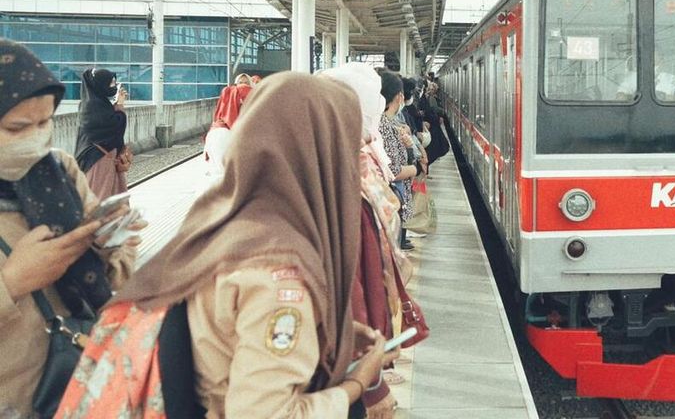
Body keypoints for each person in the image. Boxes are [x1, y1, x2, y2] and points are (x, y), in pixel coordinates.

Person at [100, 72, 395, 417]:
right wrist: (356, 385)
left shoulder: (220, 223)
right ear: (323, 156)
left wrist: (325, 332)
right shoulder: (280, 274)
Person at [0, 39, 141, 417]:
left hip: (78, 380)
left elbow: (118, 273)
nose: (35, 137)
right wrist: (12, 282)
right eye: (17, 127)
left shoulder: (59, 170)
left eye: (45, 122)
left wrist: (113, 242)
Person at [321, 63, 407, 418]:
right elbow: (348, 288)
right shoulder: (338, 193)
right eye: (361, 119)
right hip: (333, 382)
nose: (372, 137)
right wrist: (368, 385)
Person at [74, 68, 130, 201]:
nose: (114, 87)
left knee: (113, 200)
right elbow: (114, 126)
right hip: (98, 161)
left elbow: (112, 124)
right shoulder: (93, 107)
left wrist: (117, 105)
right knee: (100, 199)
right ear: (100, 85)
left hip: (107, 159)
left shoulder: (99, 103)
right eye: (111, 83)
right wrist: (120, 106)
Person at [378, 71, 418, 251]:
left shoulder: (388, 123)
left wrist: (408, 146)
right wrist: (414, 170)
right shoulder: (384, 125)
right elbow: (393, 171)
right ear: (399, 96)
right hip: (392, 197)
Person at [204, 74, 254, 172]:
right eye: (240, 83)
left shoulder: (227, 93)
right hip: (226, 136)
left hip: (213, 135)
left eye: (246, 83)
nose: (243, 85)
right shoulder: (248, 93)